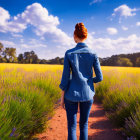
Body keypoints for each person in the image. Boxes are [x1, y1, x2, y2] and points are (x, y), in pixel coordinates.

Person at [59, 22, 103, 140]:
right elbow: (100, 77)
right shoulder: (93, 53)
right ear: (86, 36)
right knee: (84, 125)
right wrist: (89, 81)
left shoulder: (69, 53)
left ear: (75, 36)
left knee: (72, 127)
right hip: (87, 95)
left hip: (71, 95)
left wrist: (62, 98)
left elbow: (65, 78)